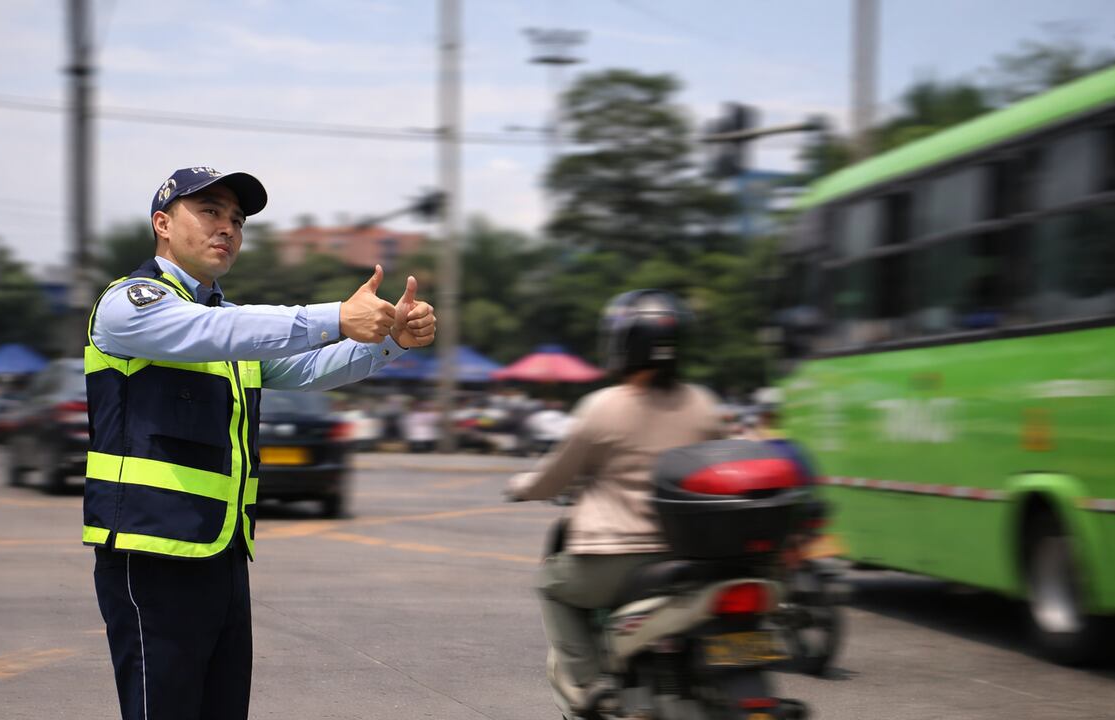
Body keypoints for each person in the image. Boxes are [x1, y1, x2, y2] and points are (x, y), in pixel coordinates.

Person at [84, 166, 435, 720]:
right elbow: (212, 332)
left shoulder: (226, 321)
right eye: (210, 212)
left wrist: (387, 342)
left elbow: (306, 369)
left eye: (237, 221)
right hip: (150, 550)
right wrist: (336, 317)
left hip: (221, 551)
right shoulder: (131, 303)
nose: (228, 229)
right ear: (162, 225)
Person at [504, 289, 725, 717]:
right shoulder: (703, 404)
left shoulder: (603, 406)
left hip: (616, 558)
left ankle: (590, 683)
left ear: (623, 344)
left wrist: (522, 486)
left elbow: (555, 477)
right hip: (690, 557)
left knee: (551, 585)